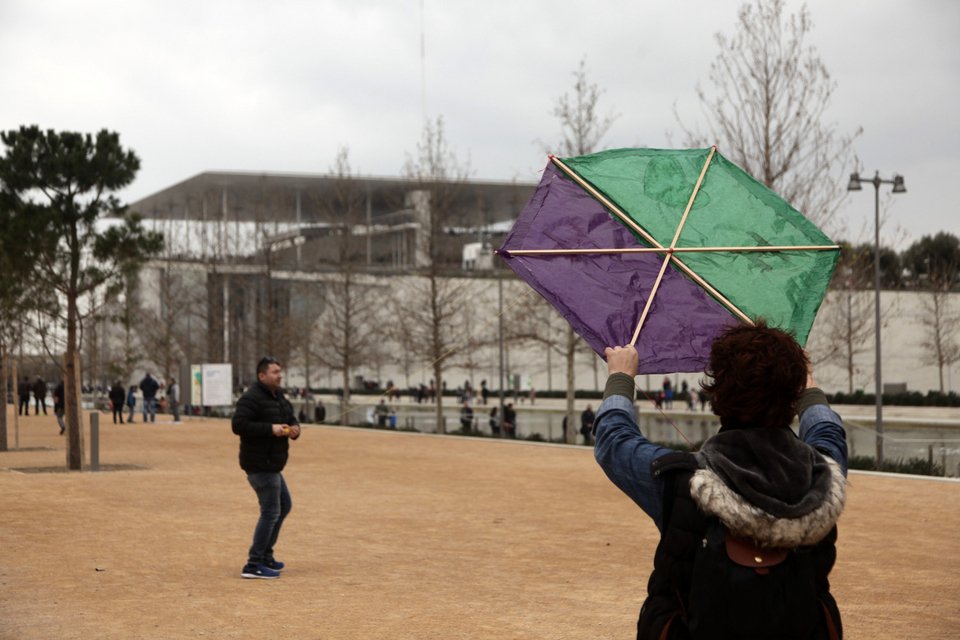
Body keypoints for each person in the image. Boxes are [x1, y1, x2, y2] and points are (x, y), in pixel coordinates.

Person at [593, 322, 848, 639]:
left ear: (717, 393)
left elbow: (614, 441)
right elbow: (828, 433)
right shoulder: (822, 477)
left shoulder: (684, 482)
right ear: (792, 397)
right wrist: (808, 387)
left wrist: (621, 377)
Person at [231, 356, 301, 580]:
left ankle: (266, 555)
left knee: (284, 505)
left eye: (280, 371)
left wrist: (295, 428)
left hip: (273, 465)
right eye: (274, 372)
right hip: (260, 465)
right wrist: (270, 429)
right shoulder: (251, 398)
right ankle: (253, 564)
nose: (279, 375)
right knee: (270, 511)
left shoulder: (279, 397)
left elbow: (290, 417)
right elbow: (238, 425)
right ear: (262, 376)